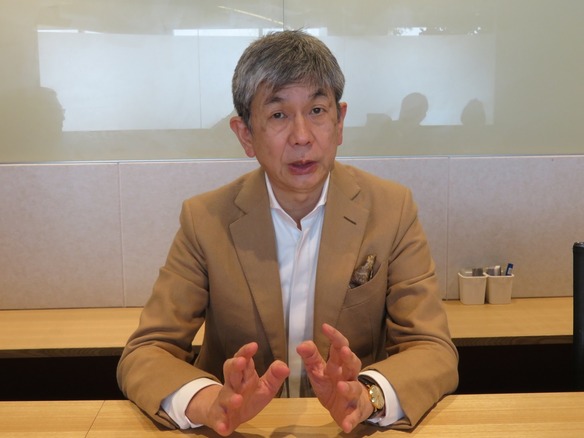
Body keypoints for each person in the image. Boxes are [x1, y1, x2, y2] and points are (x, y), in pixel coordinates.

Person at [117, 29, 458, 436]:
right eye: (278, 115)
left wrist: (369, 395)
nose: (302, 136)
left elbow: (432, 348)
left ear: (340, 122)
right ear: (245, 134)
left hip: (350, 429)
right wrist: (208, 403)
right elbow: (145, 351)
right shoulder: (205, 220)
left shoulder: (391, 210)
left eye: (317, 110)